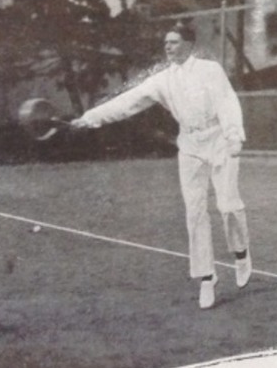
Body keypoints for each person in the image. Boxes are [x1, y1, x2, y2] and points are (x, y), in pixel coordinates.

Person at [70, 22, 251, 310]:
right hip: (189, 146)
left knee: (228, 206)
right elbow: (127, 102)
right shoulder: (162, 80)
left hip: (220, 140)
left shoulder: (209, 70)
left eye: (174, 42)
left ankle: (241, 254)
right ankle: (207, 278)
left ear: (189, 44)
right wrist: (90, 118)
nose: (168, 47)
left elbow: (227, 101)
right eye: (166, 43)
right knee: (195, 212)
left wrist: (233, 135)